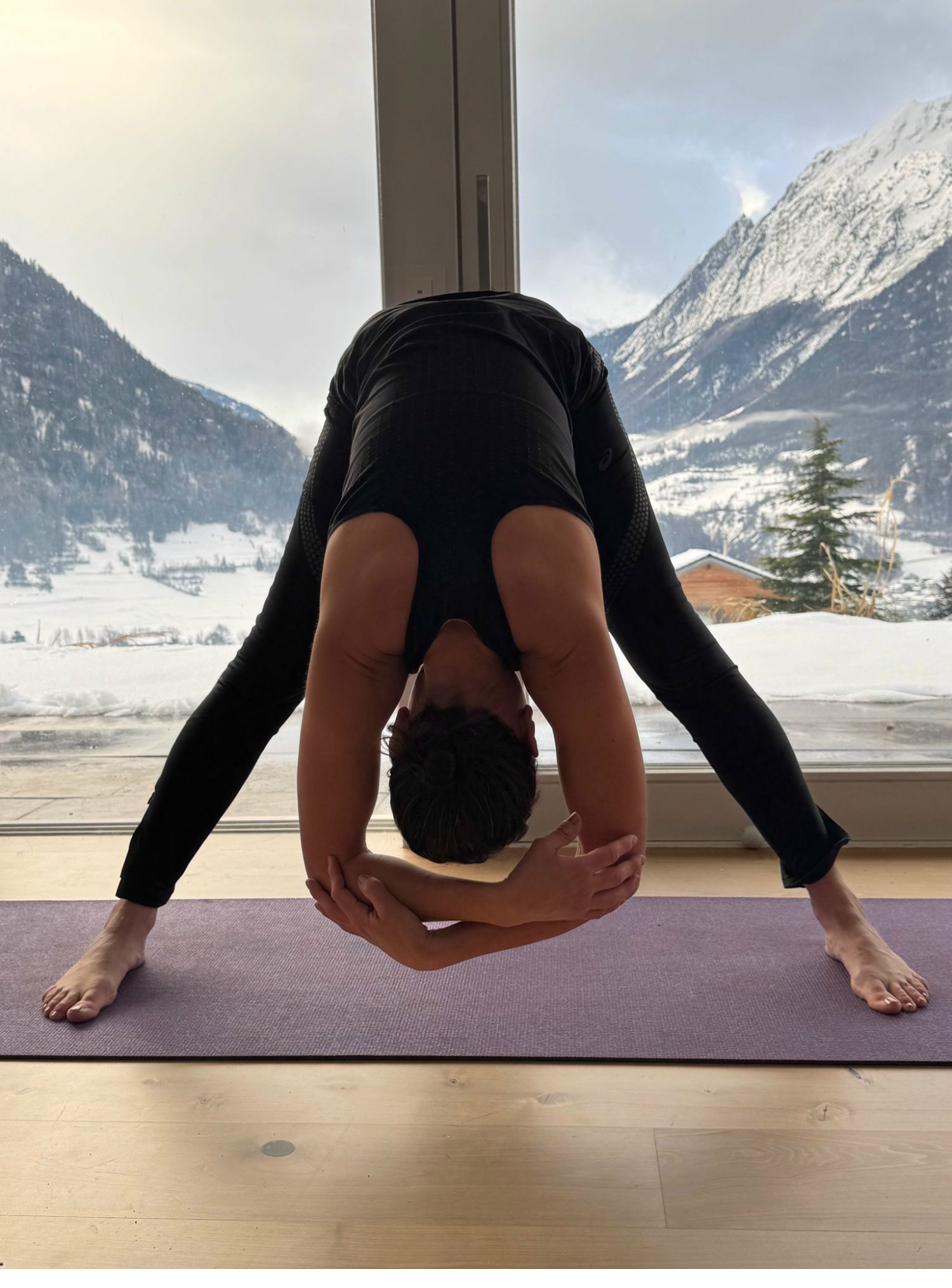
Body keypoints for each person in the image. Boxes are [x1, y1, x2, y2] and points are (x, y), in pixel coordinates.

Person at [41, 289, 928, 1022]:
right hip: (431, 354)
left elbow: (591, 877)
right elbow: (349, 878)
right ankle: (841, 913)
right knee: (262, 679)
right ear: (399, 733)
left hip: (491, 357)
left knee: (686, 661)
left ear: (528, 734)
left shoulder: (462, 629)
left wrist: (456, 941)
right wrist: (493, 912)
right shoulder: (392, 640)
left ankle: (126, 926)